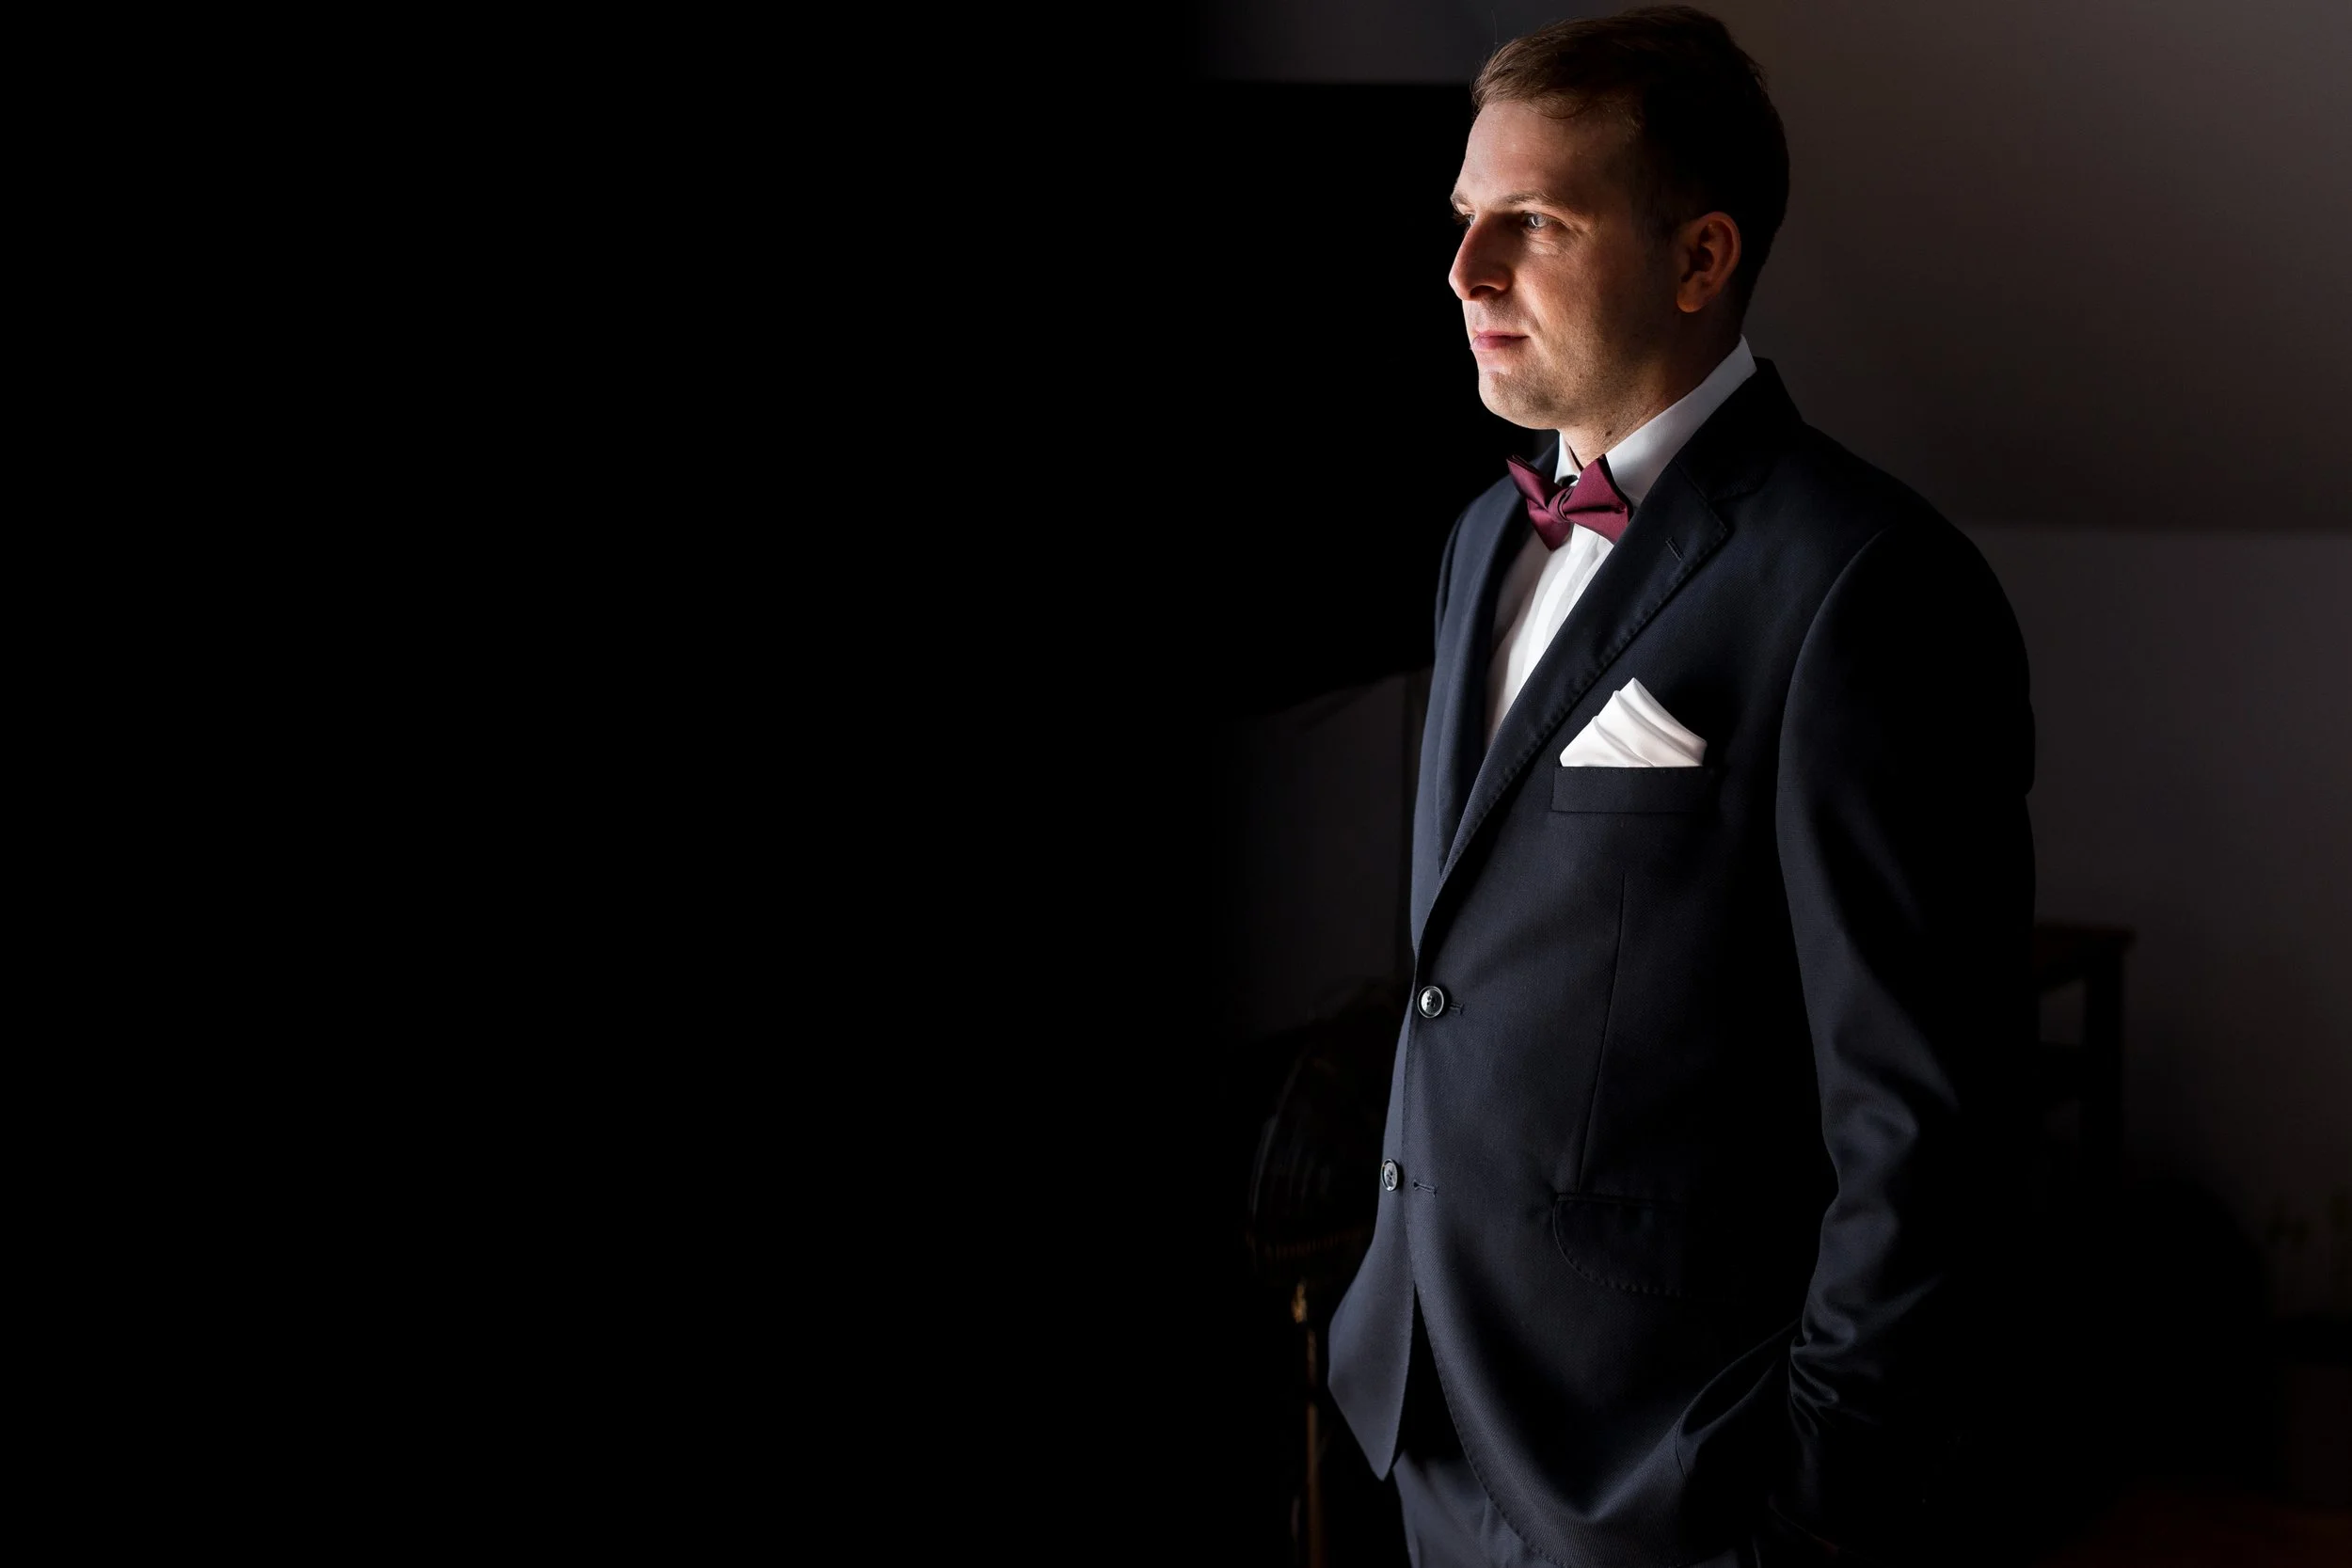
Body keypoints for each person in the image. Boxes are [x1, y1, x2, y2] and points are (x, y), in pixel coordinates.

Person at [1324, 9, 2035, 1566]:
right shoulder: (1478, 542)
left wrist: (1806, 1494)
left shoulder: (1868, 585)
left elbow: (1926, 1128)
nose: (1465, 272)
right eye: (1465, 216)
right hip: (1433, 1422)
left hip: (1680, 1480)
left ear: (1701, 257)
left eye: (1535, 222)